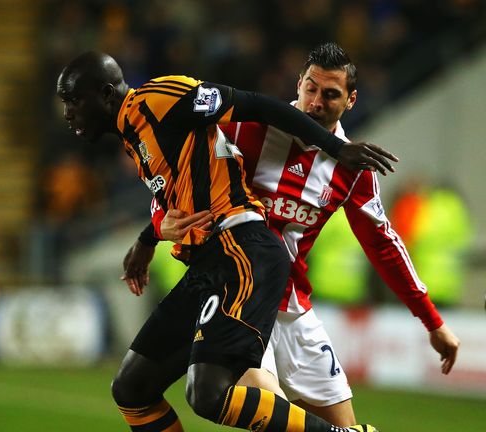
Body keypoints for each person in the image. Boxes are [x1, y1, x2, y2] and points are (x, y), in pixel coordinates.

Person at [122, 42, 460, 427]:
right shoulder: (247, 130)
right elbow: (174, 173)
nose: (316, 102)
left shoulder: (352, 167)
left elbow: (383, 245)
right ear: (298, 84)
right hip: (240, 296)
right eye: (310, 89)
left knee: (344, 425)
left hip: (295, 310)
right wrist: (157, 222)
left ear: (350, 101)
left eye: (331, 94)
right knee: (268, 414)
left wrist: (432, 321)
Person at [57, 51, 397, 432]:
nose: (67, 112)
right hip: (209, 263)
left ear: (105, 95)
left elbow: (256, 104)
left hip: (242, 249)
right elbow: (177, 204)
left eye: (72, 100)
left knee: (208, 392)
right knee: (132, 388)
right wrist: (147, 238)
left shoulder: (161, 99)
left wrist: (335, 148)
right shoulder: (134, 136)